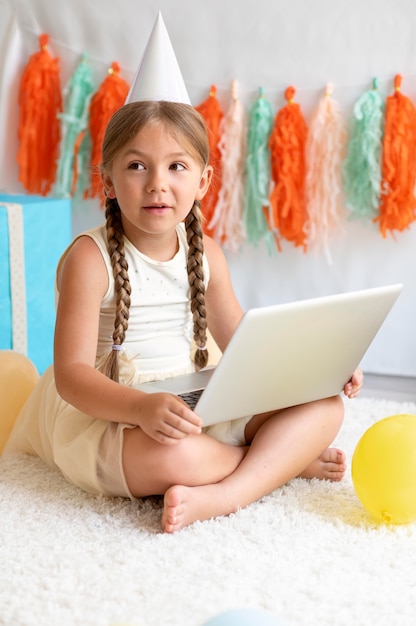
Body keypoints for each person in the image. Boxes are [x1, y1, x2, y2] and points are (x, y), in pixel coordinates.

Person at [6, 100, 363, 532]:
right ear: (108, 181)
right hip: (117, 411)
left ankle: (231, 490)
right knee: (176, 456)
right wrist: (141, 408)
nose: (158, 184)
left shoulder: (206, 253)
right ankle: (280, 462)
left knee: (325, 406)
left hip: (198, 399)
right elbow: (71, 376)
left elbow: (246, 346)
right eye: (137, 166)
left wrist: (321, 368)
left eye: (177, 166)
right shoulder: (89, 258)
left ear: (203, 180)